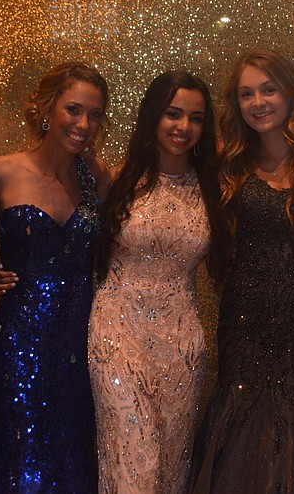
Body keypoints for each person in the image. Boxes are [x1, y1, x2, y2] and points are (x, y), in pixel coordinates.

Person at [192, 49, 294, 494]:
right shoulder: (229, 163)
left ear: (290, 92)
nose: (258, 102)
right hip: (248, 322)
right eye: (247, 94)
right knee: (245, 425)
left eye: (268, 89)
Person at [87, 71, 230, 494]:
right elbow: (66, 236)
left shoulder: (214, 189)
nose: (183, 127)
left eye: (196, 118)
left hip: (182, 344)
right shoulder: (114, 179)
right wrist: (15, 273)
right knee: (135, 463)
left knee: (168, 470)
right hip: (116, 335)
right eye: (173, 114)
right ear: (153, 116)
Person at [0, 63, 108, 492]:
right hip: (20, 341)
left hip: (81, 341)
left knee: (74, 450)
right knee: (23, 452)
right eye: (73, 109)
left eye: (94, 115)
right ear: (46, 108)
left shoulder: (98, 181)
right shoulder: (0, 171)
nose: (83, 124)